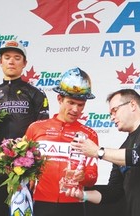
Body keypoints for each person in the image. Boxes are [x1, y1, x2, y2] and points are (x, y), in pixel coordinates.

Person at [67, 88, 140, 216]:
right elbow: (113, 193)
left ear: (132, 105)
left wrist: (97, 151)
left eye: (115, 111)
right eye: (110, 114)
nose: (112, 118)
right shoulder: (122, 149)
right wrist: (82, 194)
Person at [0, 40, 50, 216]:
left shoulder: (36, 94)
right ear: (0, 62)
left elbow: (42, 133)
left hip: (24, 168)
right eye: (7, 57)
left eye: (17, 58)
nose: (11, 61)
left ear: (24, 63)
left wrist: (34, 170)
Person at [25, 67, 99, 216]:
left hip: (73, 205)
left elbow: (92, 177)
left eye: (80, 105)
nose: (75, 109)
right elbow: (22, 166)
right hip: (40, 203)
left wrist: (83, 176)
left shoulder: (89, 134)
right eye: (71, 102)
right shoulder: (35, 128)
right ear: (59, 99)